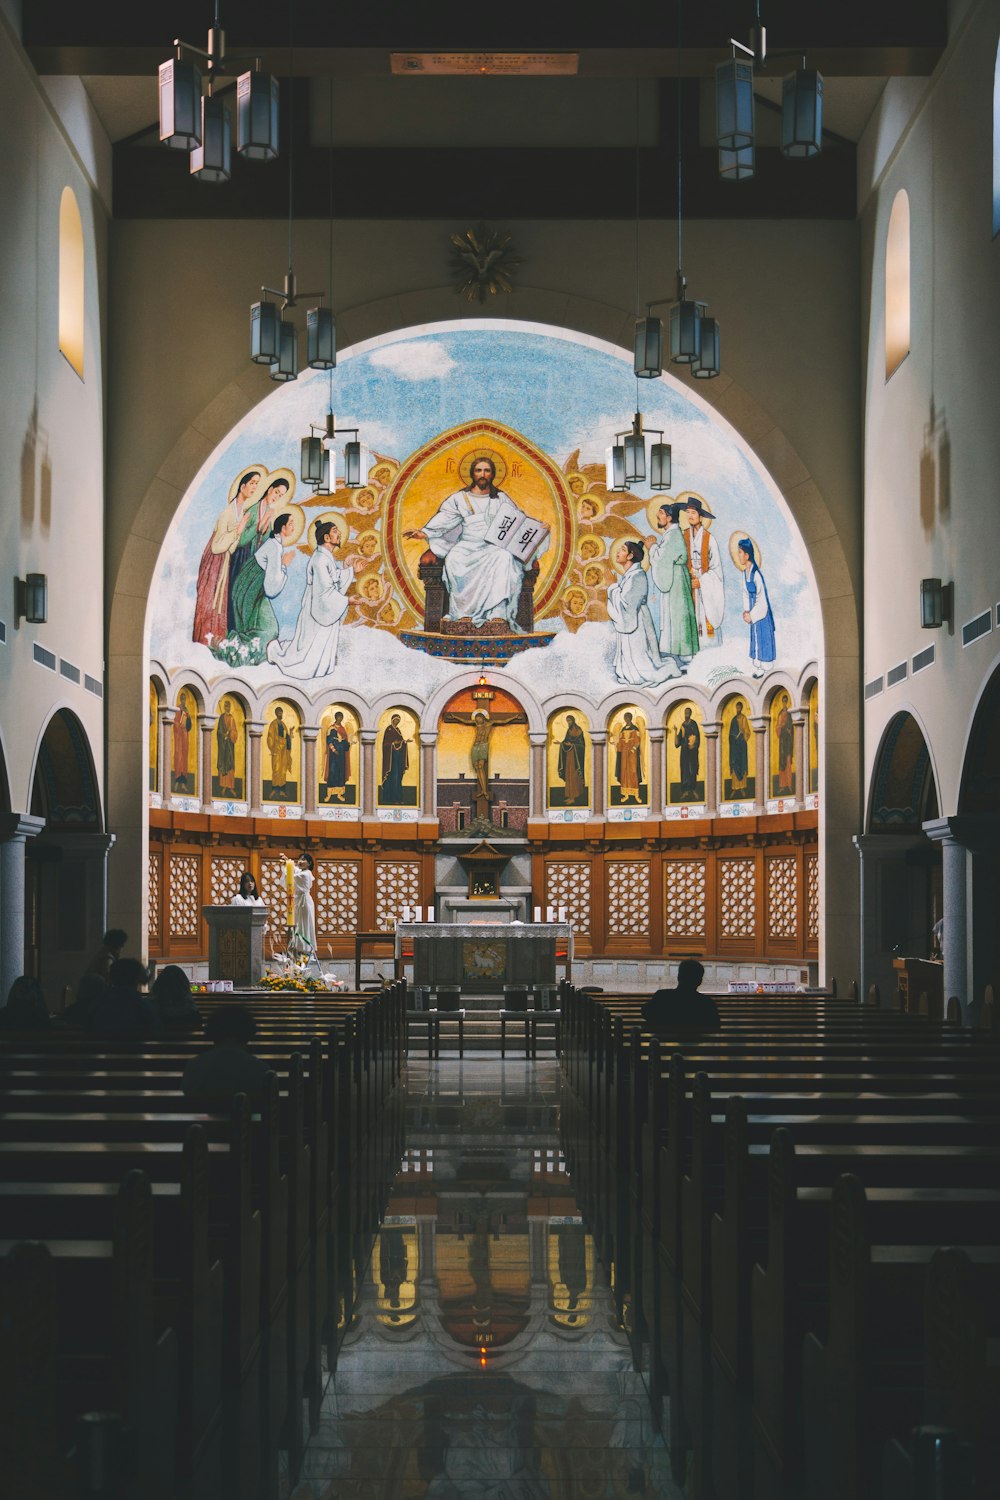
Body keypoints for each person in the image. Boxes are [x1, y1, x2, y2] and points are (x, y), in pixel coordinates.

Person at [403, 455, 545, 630]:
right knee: (454, 559)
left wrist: (537, 527)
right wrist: (424, 532)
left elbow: (517, 520)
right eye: (479, 470)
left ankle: (497, 613)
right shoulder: (460, 499)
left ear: (492, 474)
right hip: (467, 545)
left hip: (494, 546)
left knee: (504, 557)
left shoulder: (500, 498)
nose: (482, 474)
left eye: (487, 470)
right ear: (472, 474)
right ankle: (462, 613)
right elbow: (445, 519)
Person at [267, 519, 363, 680]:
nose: (339, 534)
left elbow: (333, 579)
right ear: (326, 538)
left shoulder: (325, 557)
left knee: (313, 648)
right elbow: (324, 592)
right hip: (317, 610)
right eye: (335, 531)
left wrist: (351, 570)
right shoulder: (320, 560)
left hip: (322, 608)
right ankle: (280, 656)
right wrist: (347, 601)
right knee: (306, 658)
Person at [192, 468, 263, 647]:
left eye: (257, 484)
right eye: (253, 483)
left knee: (220, 605)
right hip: (214, 564)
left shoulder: (241, 512)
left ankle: (215, 642)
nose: (255, 487)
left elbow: (231, 548)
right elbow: (217, 546)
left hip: (224, 561)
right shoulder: (228, 512)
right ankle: (203, 642)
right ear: (242, 486)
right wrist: (237, 532)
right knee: (210, 604)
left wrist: (238, 533)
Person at [606, 540, 684, 687]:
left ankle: (641, 673)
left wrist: (611, 586)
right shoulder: (630, 575)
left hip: (638, 621)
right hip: (634, 619)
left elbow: (627, 605)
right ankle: (632, 672)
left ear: (630, 556)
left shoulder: (638, 576)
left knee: (642, 659)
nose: (618, 552)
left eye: (622, 550)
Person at [226, 475, 292, 632]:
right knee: (236, 597)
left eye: (281, 496)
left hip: (255, 562)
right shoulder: (254, 510)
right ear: (269, 490)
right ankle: (233, 631)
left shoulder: (269, 511)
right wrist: (258, 526)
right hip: (241, 558)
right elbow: (240, 539)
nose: (277, 497)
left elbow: (265, 541)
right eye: (276, 492)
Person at [230, 511, 297, 652]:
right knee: (269, 630)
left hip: (254, 590)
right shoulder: (274, 547)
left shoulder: (276, 545)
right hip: (250, 590)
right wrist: (284, 565)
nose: (294, 527)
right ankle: (238, 649)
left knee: (268, 629)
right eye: (291, 524)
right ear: (283, 528)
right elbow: (271, 589)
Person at [181, 1006, 272, 1109]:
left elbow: (189, 1095)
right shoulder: (262, 1070)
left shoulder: (194, 1066)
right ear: (248, 1034)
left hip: (204, 1125)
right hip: (249, 1124)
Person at [647, 502, 698, 664]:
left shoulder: (674, 535)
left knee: (679, 614)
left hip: (676, 580)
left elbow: (663, 558)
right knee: (674, 614)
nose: (658, 516)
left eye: (661, 513)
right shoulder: (670, 535)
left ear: (669, 517)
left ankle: (684, 653)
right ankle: (677, 651)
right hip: (674, 577)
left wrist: (652, 547)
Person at [683, 497, 726, 645]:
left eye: (693, 512)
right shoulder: (683, 537)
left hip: (705, 588)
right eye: (688, 512)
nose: (690, 515)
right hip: (688, 586)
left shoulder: (710, 539)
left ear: (701, 516)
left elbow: (716, 570)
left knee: (705, 618)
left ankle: (709, 649)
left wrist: (701, 582)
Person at [89, 958, 162, 1037]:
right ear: (137, 978)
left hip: (102, 1048)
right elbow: (154, 1029)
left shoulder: (99, 1003)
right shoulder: (143, 1005)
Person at [642, 959, 720, 1032]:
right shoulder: (707, 1003)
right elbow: (716, 1025)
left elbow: (646, 1013)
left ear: (679, 977)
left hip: (664, 1043)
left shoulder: (662, 996)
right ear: (699, 981)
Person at [736, 538, 776, 678]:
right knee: (755, 637)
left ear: (747, 555)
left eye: (740, 552)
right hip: (752, 610)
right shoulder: (744, 573)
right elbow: (745, 593)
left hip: (761, 612)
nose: (739, 555)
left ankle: (764, 667)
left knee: (762, 636)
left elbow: (761, 599)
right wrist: (746, 611)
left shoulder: (756, 574)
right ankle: (758, 665)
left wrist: (753, 615)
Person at [151, 965, 202, 1032]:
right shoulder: (189, 1007)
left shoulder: (154, 1006)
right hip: (186, 1039)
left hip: (161, 1039)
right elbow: (198, 1023)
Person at [289, 852, 317, 957]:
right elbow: (295, 871)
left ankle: (305, 948)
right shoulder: (303, 872)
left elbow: (292, 874)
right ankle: (299, 948)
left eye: (304, 859)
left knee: (304, 925)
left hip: (304, 903)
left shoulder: (306, 874)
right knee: (299, 924)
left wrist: (287, 865)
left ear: (309, 863)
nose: (300, 861)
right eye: (299, 859)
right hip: (299, 901)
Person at [556, 715, 588, 805]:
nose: (568, 723)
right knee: (569, 775)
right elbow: (566, 741)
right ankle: (570, 796)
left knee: (574, 776)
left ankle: (574, 796)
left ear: (573, 721)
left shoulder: (579, 730)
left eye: (569, 721)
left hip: (576, 759)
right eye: (567, 721)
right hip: (569, 757)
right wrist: (561, 743)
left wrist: (572, 745)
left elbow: (582, 745)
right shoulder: (568, 731)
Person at [379, 713, 410, 803]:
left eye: (399, 720)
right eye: (396, 720)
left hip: (398, 758)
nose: (397, 722)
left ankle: (398, 798)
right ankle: (390, 799)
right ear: (392, 720)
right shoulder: (389, 730)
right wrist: (393, 743)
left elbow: (400, 742)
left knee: (398, 778)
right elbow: (385, 744)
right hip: (391, 760)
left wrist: (404, 742)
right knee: (393, 777)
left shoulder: (398, 730)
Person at [614, 711, 643, 803]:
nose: (626, 719)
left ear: (630, 718)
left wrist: (633, 749)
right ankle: (625, 795)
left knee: (633, 771)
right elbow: (620, 742)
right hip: (624, 754)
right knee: (624, 772)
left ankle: (636, 795)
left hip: (632, 754)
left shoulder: (635, 729)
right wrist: (615, 744)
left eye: (627, 717)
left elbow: (638, 741)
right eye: (625, 718)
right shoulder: (622, 730)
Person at [266, 706, 295, 797]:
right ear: (276, 713)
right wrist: (272, 749)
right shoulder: (273, 724)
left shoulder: (283, 725)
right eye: (279, 713)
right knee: (276, 769)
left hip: (283, 751)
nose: (281, 714)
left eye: (281, 713)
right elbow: (270, 737)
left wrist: (290, 733)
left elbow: (286, 738)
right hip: (277, 750)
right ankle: (275, 789)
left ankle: (282, 790)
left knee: (283, 770)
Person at [674, 706, 701, 801]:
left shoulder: (693, 724)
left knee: (692, 769)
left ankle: (693, 789)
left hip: (692, 751)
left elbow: (697, 736)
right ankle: (685, 790)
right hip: (684, 751)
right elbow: (678, 743)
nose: (686, 714)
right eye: (685, 713)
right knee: (685, 770)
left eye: (688, 713)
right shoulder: (683, 725)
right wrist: (675, 732)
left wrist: (693, 743)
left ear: (690, 714)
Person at [323, 711, 352, 802]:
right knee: (332, 772)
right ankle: (329, 794)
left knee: (341, 773)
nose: (340, 718)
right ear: (336, 718)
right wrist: (334, 750)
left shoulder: (343, 729)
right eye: (338, 717)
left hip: (342, 754)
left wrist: (348, 743)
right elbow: (329, 740)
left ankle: (339, 794)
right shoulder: (331, 728)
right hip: (334, 755)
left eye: (341, 717)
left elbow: (345, 742)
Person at [216, 698, 239, 795]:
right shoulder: (221, 718)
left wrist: (230, 734)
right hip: (223, 747)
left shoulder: (232, 718)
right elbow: (218, 731)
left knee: (230, 765)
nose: (227, 708)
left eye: (229, 706)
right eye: (226, 706)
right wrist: (223, 735)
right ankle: (224, 786)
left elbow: (235, 732)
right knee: (223, 764)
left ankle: (231, 786)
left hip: (229, 746)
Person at [729, 700, 752, 797]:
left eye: (739, 707)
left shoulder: (743, 718)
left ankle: (742, 787)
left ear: (741, 708)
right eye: (737, 707)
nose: (738, 709)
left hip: (742, 745)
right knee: (734, 765)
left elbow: (748, 732)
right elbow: (730, 734)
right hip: (734, 746)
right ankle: (735, 788)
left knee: (742, 764)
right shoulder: (733, 720)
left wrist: (743, 733)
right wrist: (733, 737)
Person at [171, 690, 193, 793]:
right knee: (178, 756)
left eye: (185, 699)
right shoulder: (177, 709)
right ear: (180, 699)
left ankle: (183, 783)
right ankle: (176, 780)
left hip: (185, 736)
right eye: (182, 699)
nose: (183, 700)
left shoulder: (186, 710)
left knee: (184, 757)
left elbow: (189, 725)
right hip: (178, 736)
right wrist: (178, 725)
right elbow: (174, 721)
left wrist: (187, 719)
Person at [775, 692, 795, 794]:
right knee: (782, 764)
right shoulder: (779, 714)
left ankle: (790, 784)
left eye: (785, 701)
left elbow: (792, 728)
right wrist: (782, 726)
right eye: (783, 701)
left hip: (788, 742)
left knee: (788, 763)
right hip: (782, 742)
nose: (784, 703)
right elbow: (777, 728)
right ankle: (782, 785)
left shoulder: (790, 714)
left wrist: (789, 731)